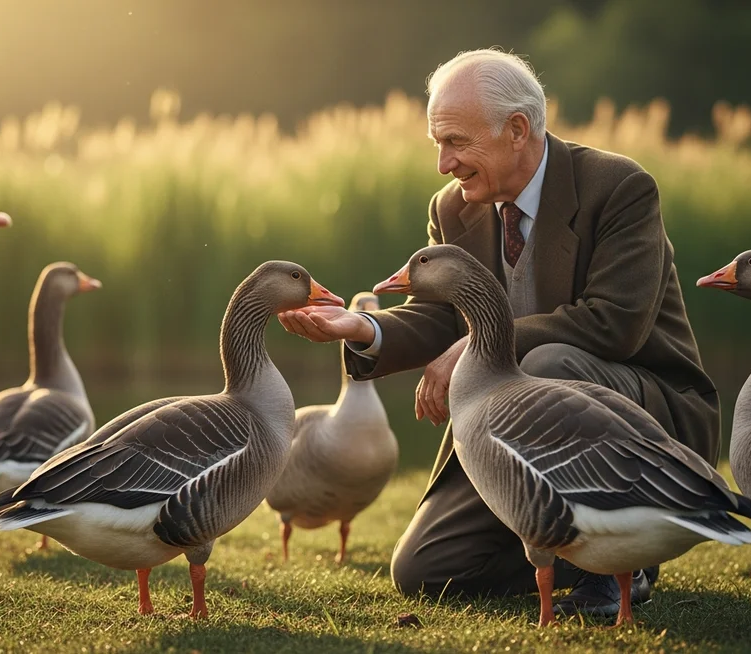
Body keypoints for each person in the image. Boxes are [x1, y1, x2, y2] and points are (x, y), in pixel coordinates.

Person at [277, 48, 720, 618]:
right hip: (508, 435)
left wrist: (479, 342)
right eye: (437, 143)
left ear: (516, 130)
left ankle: (612, 570)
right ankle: (609, 549)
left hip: (650, 427)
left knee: (549, 365)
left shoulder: (619, 187)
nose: (444, 163)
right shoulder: (452, 208)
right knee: (426, 571)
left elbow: (614, 324)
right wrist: (362, 328)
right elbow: (440, 316)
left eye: (455, 141)